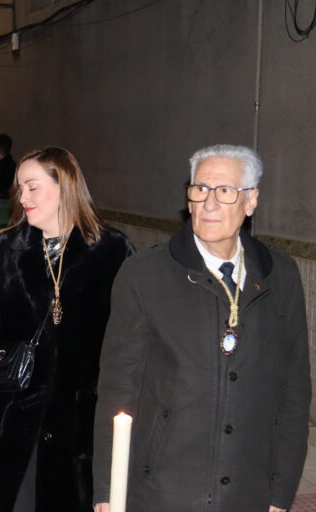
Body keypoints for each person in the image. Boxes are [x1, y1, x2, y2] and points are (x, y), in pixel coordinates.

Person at [93, 144, 311, 512]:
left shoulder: (281, 275)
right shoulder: (145, 275)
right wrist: (107, 490)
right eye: (200, 189)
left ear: (251, 200)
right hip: (164, 486)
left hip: (249, 488)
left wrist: (280, 492)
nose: (209, 203)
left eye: (225, 191)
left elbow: (294, 391)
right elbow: (118, 387)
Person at [0, 147, 134, 511]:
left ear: (65, 187)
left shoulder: (112, 251)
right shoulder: (3, 252)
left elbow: (130, 339)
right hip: (12, 412)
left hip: (81, 418)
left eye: (32, 187)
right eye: (20, 189)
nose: (23, 198)